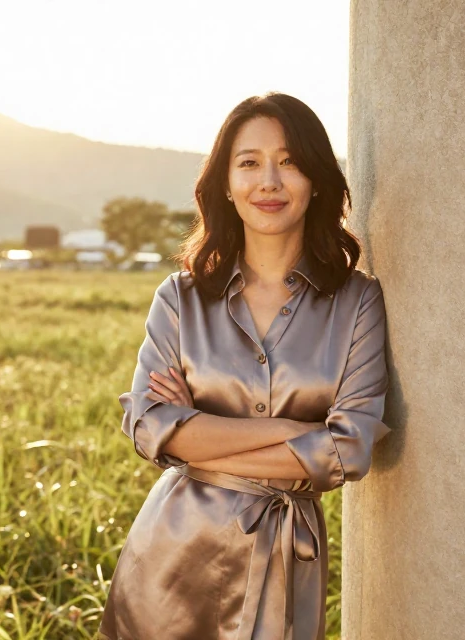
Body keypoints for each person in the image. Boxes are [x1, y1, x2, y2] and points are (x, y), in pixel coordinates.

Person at [97, 93, 392, 640]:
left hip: (288, 558)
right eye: (249, 163)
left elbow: (350, 448)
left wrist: (199, 430)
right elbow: (150, 425)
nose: (270, 182)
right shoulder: (181, 299)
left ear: (318, 179)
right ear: (226, 184)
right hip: (174, 554)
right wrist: (293, 432)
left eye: (291, 161)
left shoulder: (357, 302)